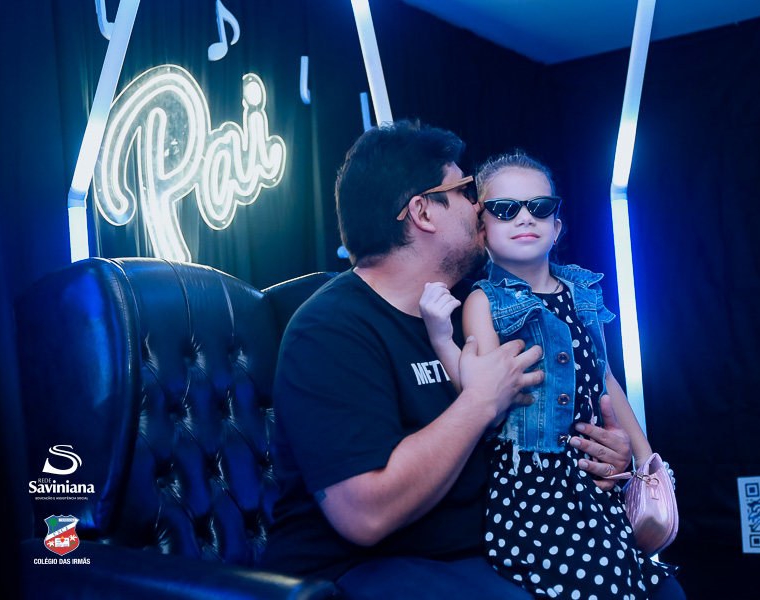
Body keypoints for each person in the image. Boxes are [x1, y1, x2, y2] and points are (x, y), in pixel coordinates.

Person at [261, 121, 637, 600]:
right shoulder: (330, 330)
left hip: (493, 548)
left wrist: (610, 456)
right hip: (365, 571)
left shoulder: (480, 306)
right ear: (422, 211)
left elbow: (545, 417)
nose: (480, 206)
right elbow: (365, 515)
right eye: (463, 191)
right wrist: (479, 401)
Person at [419, 152, 683, 599]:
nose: (525, 217)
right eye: (506, 209)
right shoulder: (484, 301)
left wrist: (648, 463)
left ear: (557, 226)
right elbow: (480, 398)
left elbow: (606, 378)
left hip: (593, 485)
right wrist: (442, 339)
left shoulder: (582, 294)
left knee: (647, 586)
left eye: (540, 207)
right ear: (482, 230)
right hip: (532, 488)